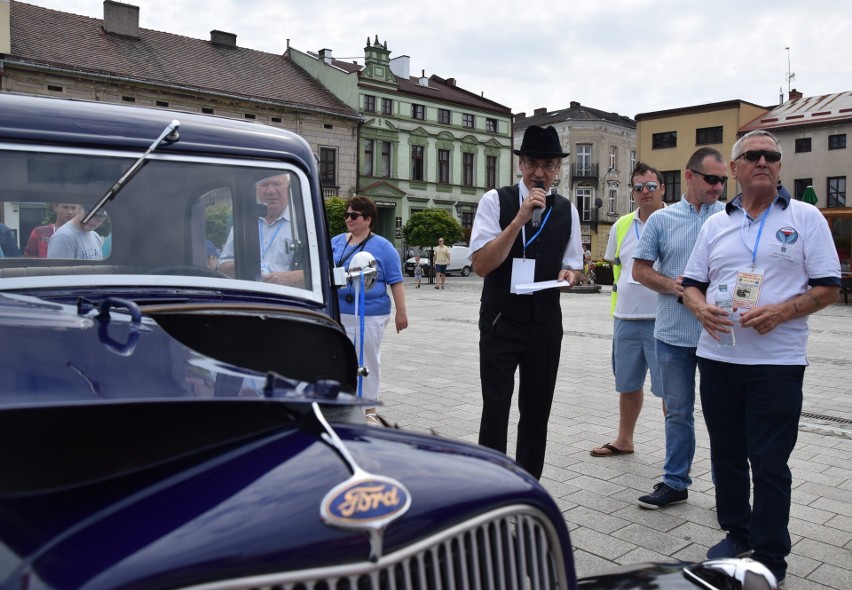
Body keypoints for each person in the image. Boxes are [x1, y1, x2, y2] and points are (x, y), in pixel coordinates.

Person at [681, 130, 840, 584]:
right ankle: (736, 531)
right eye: (753, 156)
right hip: (717, 358)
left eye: (772, 156)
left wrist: (784, 310)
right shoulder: (716, 223)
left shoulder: (806, 218)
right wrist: (699, 307)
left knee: (769, 461)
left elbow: (828, 287)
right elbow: (691, 282)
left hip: (777, 363)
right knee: (727, 454)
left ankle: (770, 555)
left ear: (780, 166)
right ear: (734, 169)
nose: (763, 162)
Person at [470, 124, 583, 480]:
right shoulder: (495, 201)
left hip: (545, 322)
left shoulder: (567, 210)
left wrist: (570, 275)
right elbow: (481, 265)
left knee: (536, 411)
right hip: (501, 319)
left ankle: (527, 485)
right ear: (520, 164)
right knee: (497, 406)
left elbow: (572, 264)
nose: (540, 173)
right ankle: (491, 484)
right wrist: (519, 219)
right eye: (533, 163)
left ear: (558, 170)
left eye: (549, 165)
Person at [632, 147, 726, 508]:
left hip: (718, 335)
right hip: (672, 334)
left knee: (722, 416)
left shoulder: (731, 217)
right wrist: (675, 287)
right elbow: (641, 270)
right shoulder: (662, 220)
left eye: (722, 180)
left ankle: (726, 488)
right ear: (689, 176)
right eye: (711, 179)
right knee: (678, 412)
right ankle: (675, 483)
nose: (718, 186)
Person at [591, 163, 665, 458]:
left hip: (664, 318)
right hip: (626, 317)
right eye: (638, 187)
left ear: (661, 188)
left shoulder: (675, 220)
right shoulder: (621, 225)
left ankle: (675, 450)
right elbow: (614, 266)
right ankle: (624, 440)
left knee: (669, 390)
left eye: (650, 186)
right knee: (628, 384)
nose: (645, 192)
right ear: (632, 192)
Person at [330, 195, 408, 424]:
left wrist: (401, 312)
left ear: (368, 219)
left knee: (367, 359)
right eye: (347, 214)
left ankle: (369, 410)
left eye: (354, 215)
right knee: (341, 361)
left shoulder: (383, 247)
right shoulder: (336, 242)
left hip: (370, 314)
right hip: (338, 313)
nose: (348, 219)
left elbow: (396, 280)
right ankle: (344, 405)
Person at [218, 173, 303, 287]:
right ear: (256, 190)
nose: (271, 190)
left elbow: (320, 272)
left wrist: (291, 278)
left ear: (289, 187)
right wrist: (246, 265)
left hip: (288, 301)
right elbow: (223, 266)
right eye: (264, 184)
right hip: (250, 298)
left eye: (277, 184)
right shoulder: (243, 223)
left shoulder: (302, 223)